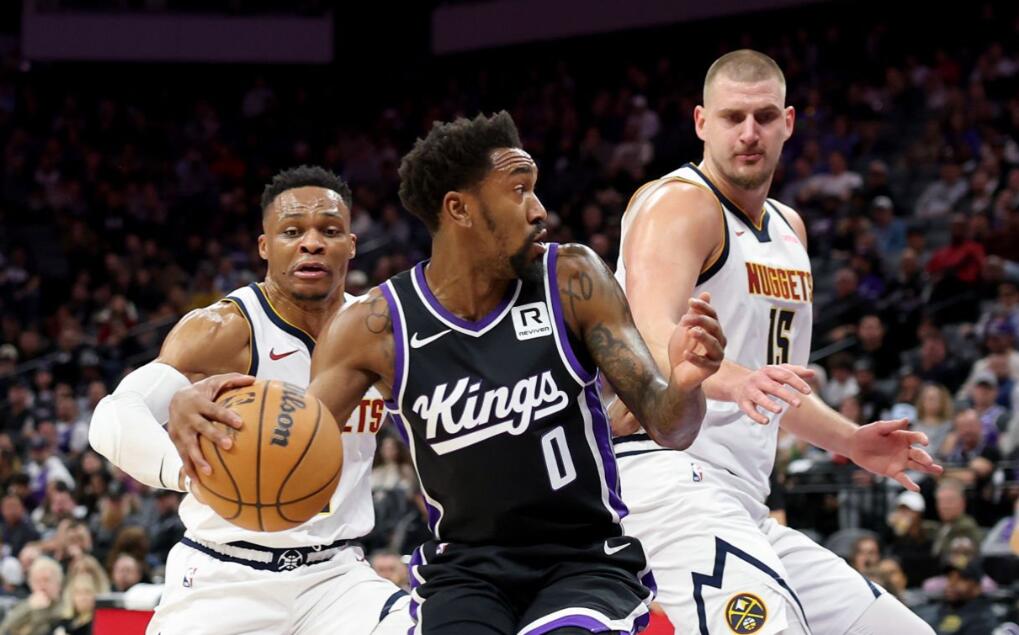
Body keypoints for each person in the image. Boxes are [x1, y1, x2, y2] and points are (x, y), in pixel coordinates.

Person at [295, 111, 726, 634]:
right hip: (465, 572)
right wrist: (212, 411)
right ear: (459, 208)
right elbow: (292, 450)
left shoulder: (572, 279)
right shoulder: (374, 327)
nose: (539, 210)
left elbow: (671, 427)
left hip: (584, 560)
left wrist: (686, 382)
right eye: (519, 190)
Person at [610, 49, 941, 634]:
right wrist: (740, 381)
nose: (749, 133)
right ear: (701, 123)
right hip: (661, 475)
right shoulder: (680, 203)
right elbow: (650, 336)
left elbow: (775, 387)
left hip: (742, 499)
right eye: (732, 117)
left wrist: (850, 440)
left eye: (764, 117)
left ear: (788, 123)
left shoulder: (790, 229)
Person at [88, 166, 411, 634]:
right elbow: (112, 418)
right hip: (224, 578)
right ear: (265, 246)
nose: (312, 243)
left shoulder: (377, 332)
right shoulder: (225, 328)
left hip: (337, 577)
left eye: (329, 231)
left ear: (352, 245)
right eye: (292, 232)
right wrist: (192, 474)